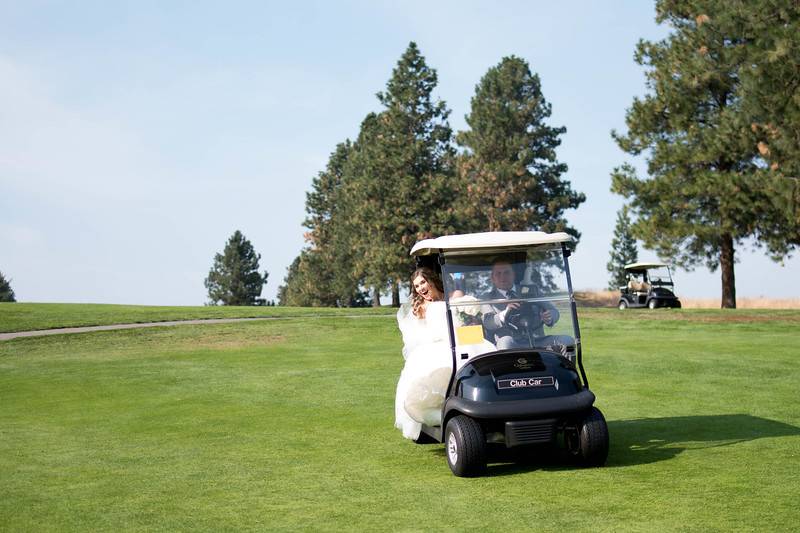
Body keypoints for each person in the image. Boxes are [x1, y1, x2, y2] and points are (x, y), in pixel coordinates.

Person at [394, 267, 452, 440]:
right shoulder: (422, 307)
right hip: (438, 346)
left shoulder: (452, 296)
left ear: (431, 280)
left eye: (422, 283)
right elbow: (419, 335)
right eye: (417, 286)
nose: (420, 288)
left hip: (459, 342)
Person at [481, 259, 570, 353]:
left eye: (507, 272)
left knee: (567, 341)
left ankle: (567, 368)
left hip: (537, 340)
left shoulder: (532, 290)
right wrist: (505, 313)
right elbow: (488, 322)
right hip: (511, 343)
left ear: (513, 275)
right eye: (498, 273)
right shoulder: (487, 298)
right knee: (505, 342)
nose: (503, 277)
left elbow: (554, 311)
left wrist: (549, 317)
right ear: (492, 278)